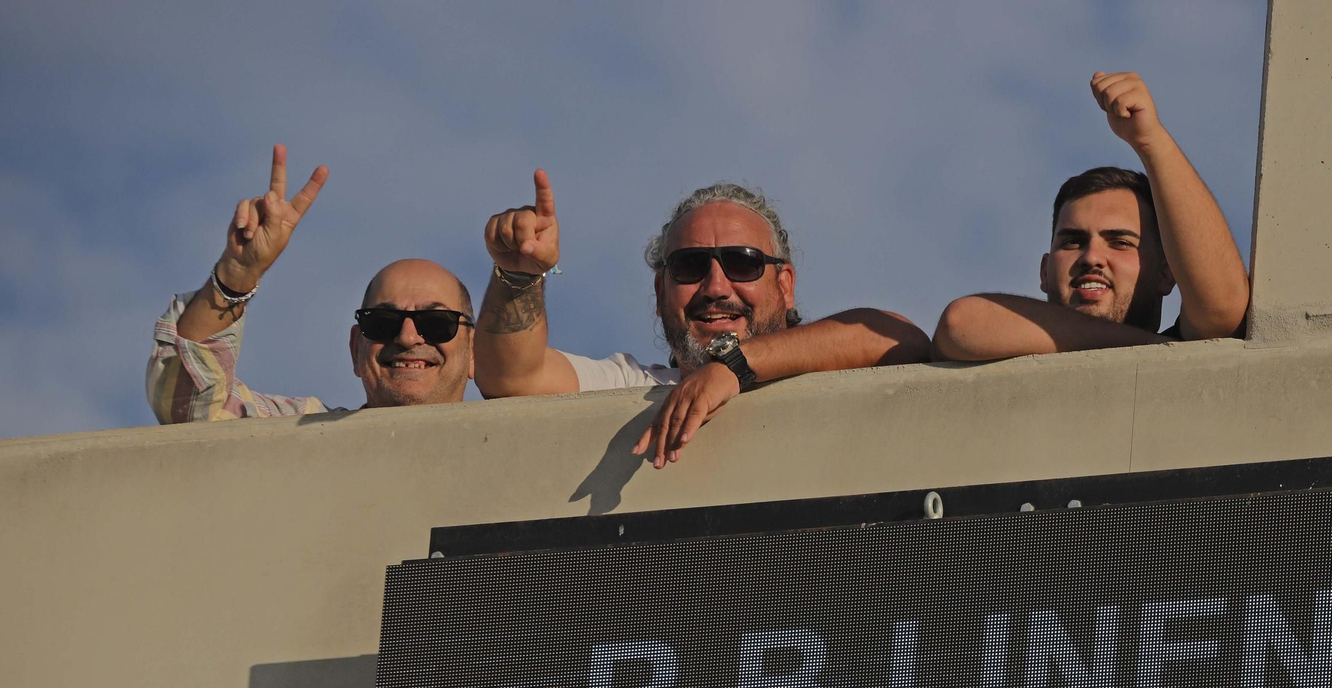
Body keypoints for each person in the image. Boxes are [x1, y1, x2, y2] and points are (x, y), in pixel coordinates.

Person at [473, 173, 931, 467]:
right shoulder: (632, 387)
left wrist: (734, 368)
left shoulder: (833, 373)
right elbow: (510, 376)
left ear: (785, 285)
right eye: (690, 267)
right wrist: (518, 275)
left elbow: (898, 337)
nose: (715, 286)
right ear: (660, 293)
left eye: (743, 262)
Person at [934, 71, 1251, 360]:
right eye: (1072, 242)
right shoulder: (1003, 354)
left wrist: (1151, 141)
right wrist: (1161, 353)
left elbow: (1222, 309)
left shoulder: (1192, 360)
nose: (1092, 257)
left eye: (1120, 242)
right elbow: (961, 324)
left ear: (1167, 273)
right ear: (1044, 271)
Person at [148, 145, 477, 422]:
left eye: (436, 323)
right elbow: (190, 411)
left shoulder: (520, 445)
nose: (407, 337)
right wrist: (235, 277)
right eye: (382, 323)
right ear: (355, 349)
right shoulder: (299, 433)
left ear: (474, 351)